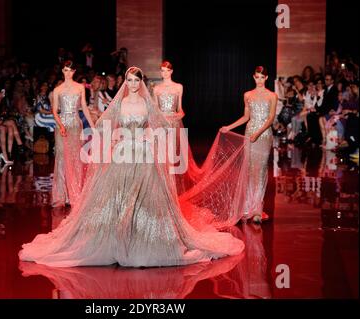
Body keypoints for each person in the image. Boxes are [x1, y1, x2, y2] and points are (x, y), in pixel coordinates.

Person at [19, 66, 244, 268]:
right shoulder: (121, 103)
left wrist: (152, 137)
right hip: (123, 153)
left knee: (145, 198)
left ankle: (143, 236)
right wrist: (113, 139)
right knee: (118, 196)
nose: (133, 84)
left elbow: (162, 125)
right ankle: (118, 236)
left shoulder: (148, 103)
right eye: (130, 80)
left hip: (144, 153)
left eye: (136, 80)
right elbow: (106, 123)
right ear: (126, 82)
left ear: (141, 82)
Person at [221, 66, 277, 224]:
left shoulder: (272, 96)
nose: (259, 80)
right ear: (254, 77)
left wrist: (258, 133)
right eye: (257, 77)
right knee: (249, 169)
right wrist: (229, 127)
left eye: (262, 77)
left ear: (266, 78)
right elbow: (246, 117)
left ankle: (257, 209)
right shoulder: (247, 95)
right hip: (249, 132)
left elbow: (271, 118)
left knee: (260, 170)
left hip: (263, 135)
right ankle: (248, 207)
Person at [153, 60, 202, 194]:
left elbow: (180, 109)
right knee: (161, 158)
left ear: (171, 71)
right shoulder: (156, 89)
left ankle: (171, 192)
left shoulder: (178, 87)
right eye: (162, 70)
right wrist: (160, 120)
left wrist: (179, 115)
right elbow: (155, 110)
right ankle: (163, 191)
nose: (164, 73)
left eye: (167, 70)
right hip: (161, 126)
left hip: (174, 125)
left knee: (171, 159)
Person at [51, 60, 95, 208]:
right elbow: (55, 111)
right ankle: (60, 196)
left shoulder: (80, 87)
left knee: (75, 158)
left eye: (70, 70)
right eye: (65, 70)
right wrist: (61, 125)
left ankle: (74, 194)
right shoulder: (57, 90)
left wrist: (93, 126)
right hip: (62, 124)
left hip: (76, 124)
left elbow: (84, 107)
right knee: (62, 158)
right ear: (62, 71)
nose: (67, 73)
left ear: (74, 71)